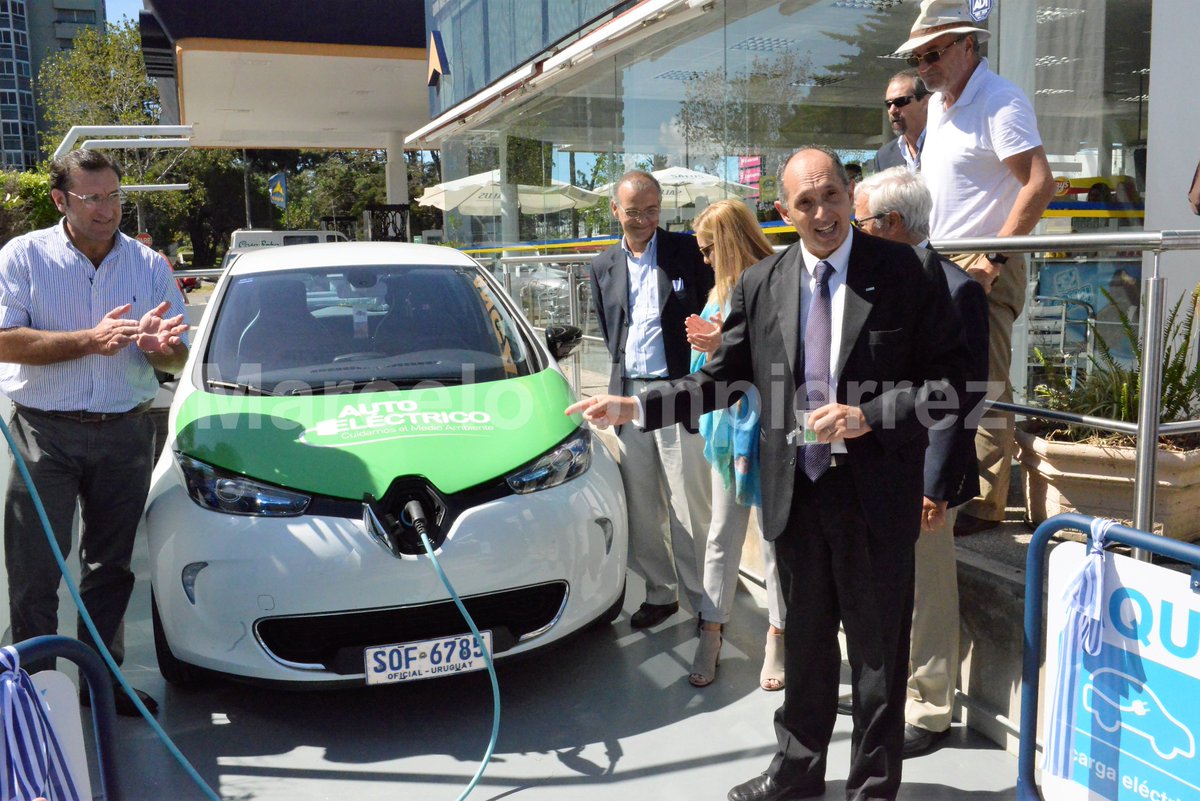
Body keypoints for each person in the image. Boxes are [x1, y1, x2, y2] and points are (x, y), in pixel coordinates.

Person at [568, 146, 969, 801]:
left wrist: (868, 416)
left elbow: (951, 384)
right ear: (783, 210)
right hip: (795, 494)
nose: (822, 213)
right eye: (805, 202)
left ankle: (872, 788)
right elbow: (718, 379)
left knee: (877, 658)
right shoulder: (763, 283)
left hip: (875, 495)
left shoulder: (906, 271)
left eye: (831, 196)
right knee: (805, 643)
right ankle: (797, 771)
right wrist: (637, 406)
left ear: (850, 195)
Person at [0, 149, 190, 717]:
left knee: (111, 569)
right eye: (92, 199)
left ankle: (100, 684)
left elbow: (179, 358)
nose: (107, 210)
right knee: (35, 570)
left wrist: (161, 349)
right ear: (61, 200)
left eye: (114, 196)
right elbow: (4, 340)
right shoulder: (23, 256)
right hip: (43, 433)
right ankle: (35, 694)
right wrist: (90, 340)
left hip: (125, 432)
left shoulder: (148, 264)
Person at [896, 0, 1056, 537]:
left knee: (984, 383)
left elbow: (1040, 183)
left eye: (933, 53)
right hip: (945, 258)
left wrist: (994, 258)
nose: (924, 66)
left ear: (969, 44)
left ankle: (984, 505)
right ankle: (958, 490)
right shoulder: (944, 105)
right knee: (954, 378)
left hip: (981, 258)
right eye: (918, 57)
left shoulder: (999, 100)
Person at [853, 167, 989, 757]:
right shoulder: (869, 282)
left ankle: (930, 708)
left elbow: (961, 397)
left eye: (859, 221)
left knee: (927, 594)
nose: (851, 231)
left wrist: (936, 485)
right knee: (877, 588)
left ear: (891, 223)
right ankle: (880, 692)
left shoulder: (957, 289)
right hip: (871, 465)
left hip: (924, 476)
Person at [588, 169, 714, 629]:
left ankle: (704, 604)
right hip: (629, 397)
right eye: (633, 211)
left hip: (678, 394)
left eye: (651, 210)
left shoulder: (688, 252)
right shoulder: (601, 266)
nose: (642, 219)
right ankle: (660, 593)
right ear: (615, 210)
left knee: (688, 506)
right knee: (641, 506)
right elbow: (611, 333)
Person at [683, 199, 786, 691]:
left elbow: (785, 357)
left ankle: (778, 635)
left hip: (773, 428)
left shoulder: (776, 282)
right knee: (721, 533)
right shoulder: (716, 294)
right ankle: (711, 630)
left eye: (708, 249)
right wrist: (710, 348)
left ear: (727, 242)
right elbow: (703, 371)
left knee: (774, 538)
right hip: (728, 431)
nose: (704, 258)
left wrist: (722, 344)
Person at [871, 68, 929, 174]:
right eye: (888, 104)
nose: (892, 110)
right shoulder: (883, 157)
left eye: (900, 101)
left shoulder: (948, 144)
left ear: (925, 102)